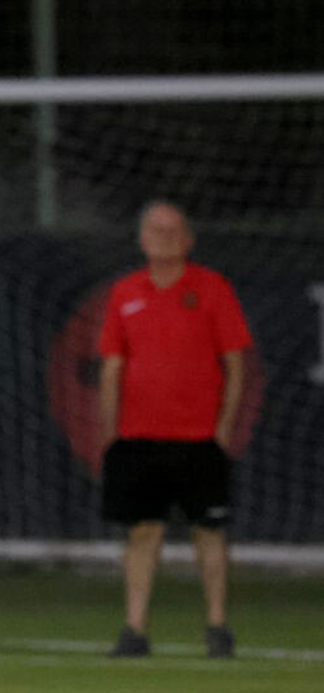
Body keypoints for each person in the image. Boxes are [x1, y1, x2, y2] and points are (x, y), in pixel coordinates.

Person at [98, 201, 251, 659]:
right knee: (143, 532)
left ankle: (218, 626)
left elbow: (235, 363)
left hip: (199, 436)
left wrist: (223, 427)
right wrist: (110, 431)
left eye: (172, 230)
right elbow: (112, 365)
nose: (163, 237)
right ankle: (134, 629)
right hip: (138, 435)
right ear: (141, 239)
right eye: (154, 230)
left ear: (188, 239)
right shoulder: (125, 292)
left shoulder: (212, 288)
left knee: (209, 531)